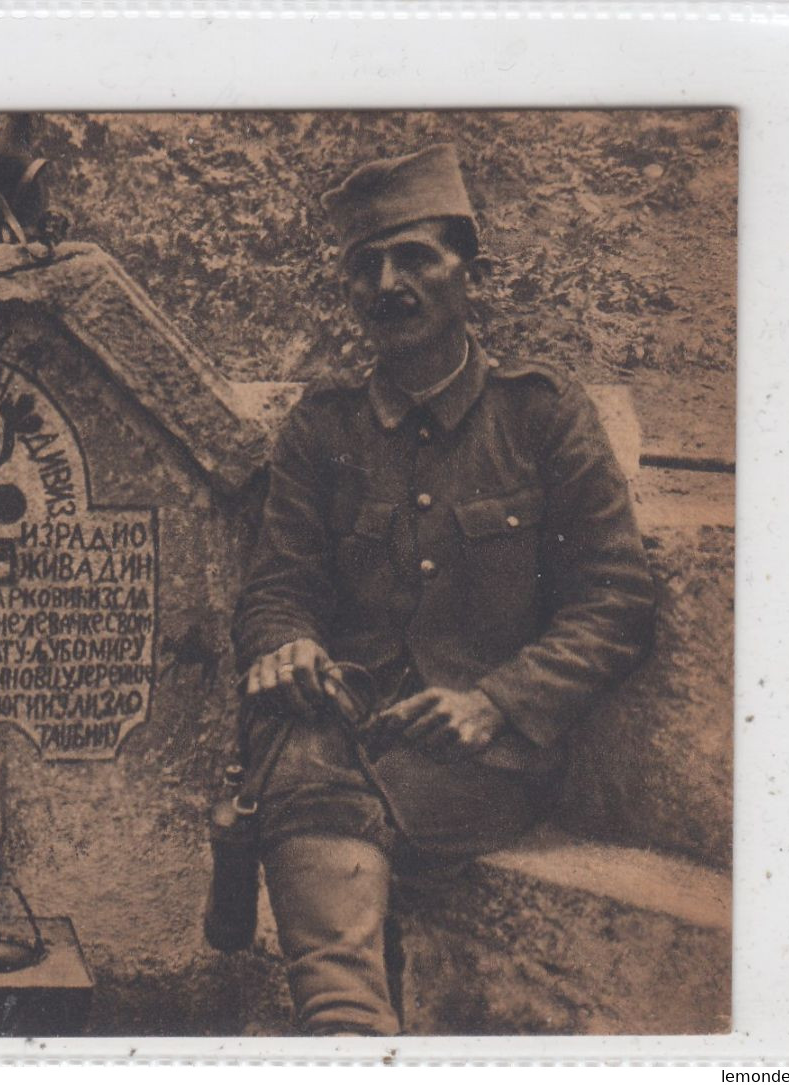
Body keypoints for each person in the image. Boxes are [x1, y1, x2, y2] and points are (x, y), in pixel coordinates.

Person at [231, 144, 657, 1036]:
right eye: (364, 267)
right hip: (342, 723)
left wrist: (497, 702)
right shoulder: (322, 427)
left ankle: (342, 1027)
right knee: (294, 731)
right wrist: (289, 643)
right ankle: (351, 1032)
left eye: (415, 256)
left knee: (306, 785)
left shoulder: (539, 417)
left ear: (471, 271)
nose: (388, 283)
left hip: (479, 759)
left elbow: (614, 598)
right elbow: (277, 586)